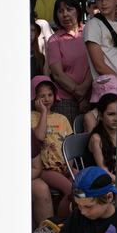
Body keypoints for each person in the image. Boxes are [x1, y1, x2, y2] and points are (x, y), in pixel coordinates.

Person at [45, 0, 91, 124]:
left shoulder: (89, 31)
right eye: (60, 11)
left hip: (92, 95)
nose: (65, 14)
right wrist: (80, 95)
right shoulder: (54, 40)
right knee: (67, 140)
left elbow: (95, 63)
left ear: (77, 10)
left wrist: (84, 90)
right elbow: (58, 75)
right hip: (66, 99)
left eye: (69, 9)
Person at [31, 77, 73, 219]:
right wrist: (43, 113)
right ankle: (60, 223)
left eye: (49, 95)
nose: (47, 99)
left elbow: (69, 146)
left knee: (84, 183)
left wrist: (69, 166)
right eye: (42, 96)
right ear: (34, 98)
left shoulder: (62, 119)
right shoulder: (31, 116)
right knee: (70, 190)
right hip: (46, 168)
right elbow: (39, 137)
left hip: (64, 165)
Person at [87, 93, 117, 196]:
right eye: (111, 114)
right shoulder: (96, 138)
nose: (116, 118)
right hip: (101, 182)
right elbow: (103, 171)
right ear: (100, 115)